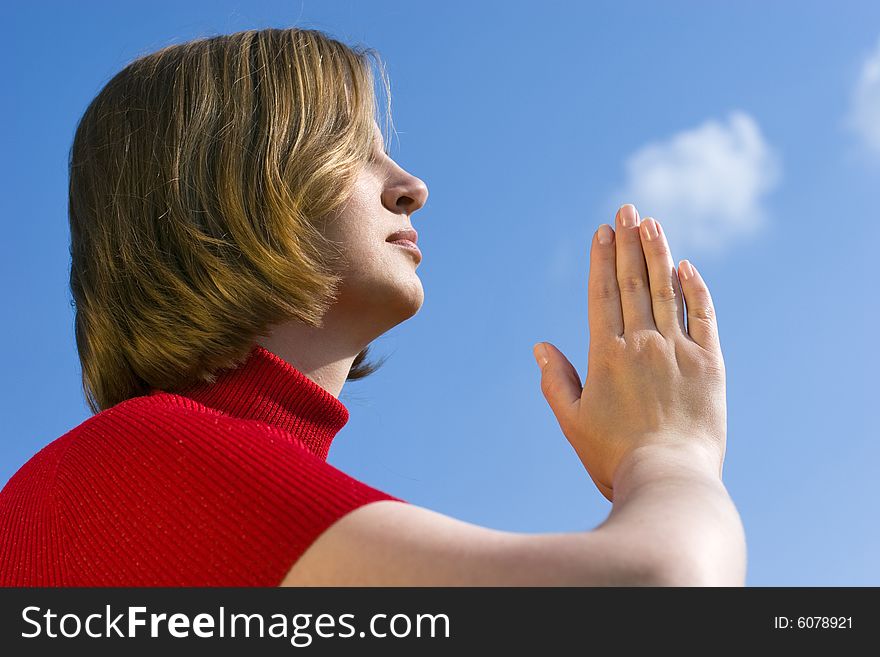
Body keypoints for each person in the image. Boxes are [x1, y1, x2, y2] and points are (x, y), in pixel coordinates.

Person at [0, 27, 745, 586]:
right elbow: (656, 591)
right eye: (351, 146)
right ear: (228, 183)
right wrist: (671, 457)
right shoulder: (139, 464)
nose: (410, 185)